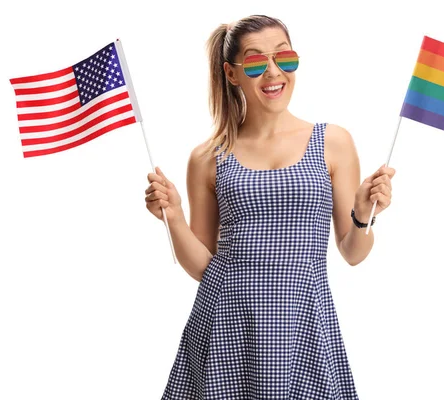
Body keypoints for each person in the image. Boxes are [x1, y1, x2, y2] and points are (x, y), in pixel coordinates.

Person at [145, 14, 396, 399]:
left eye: (284, 58)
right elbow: (201, 265)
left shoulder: (333, 141)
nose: (273, 72)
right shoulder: (208, 157)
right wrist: (174, 217)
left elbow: (353, 253)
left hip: (304, 322)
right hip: (227, 321)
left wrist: (363, 215)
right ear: (232, 74)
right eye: (256, 62)